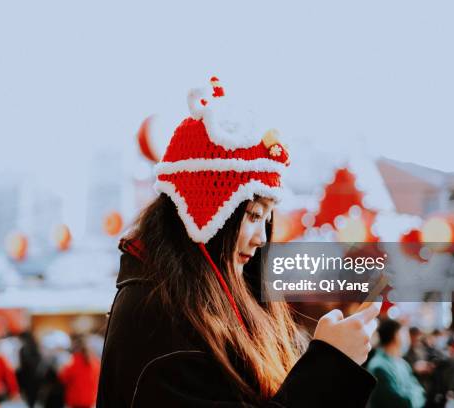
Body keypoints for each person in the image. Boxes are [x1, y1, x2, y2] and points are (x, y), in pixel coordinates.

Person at [97, 77, 381, 407]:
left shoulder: (196, 298)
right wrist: (332, 365)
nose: (261, 238)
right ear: (208, 212)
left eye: (266, 218)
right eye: (253, 215)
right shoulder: (160, 315)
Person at [367, 319, 425, 408]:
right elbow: (402, 403)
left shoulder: (403, 363)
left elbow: (420, 391)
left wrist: (414, 396)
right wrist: (414, 396)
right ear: (396, 336)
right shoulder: (378, 367)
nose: (407, 337)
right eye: (404, 333)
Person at [59, 336, 100, 408]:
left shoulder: (73, 361)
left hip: (75, 400)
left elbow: (63, 378)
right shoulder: (95, 361)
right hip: (90, 400)